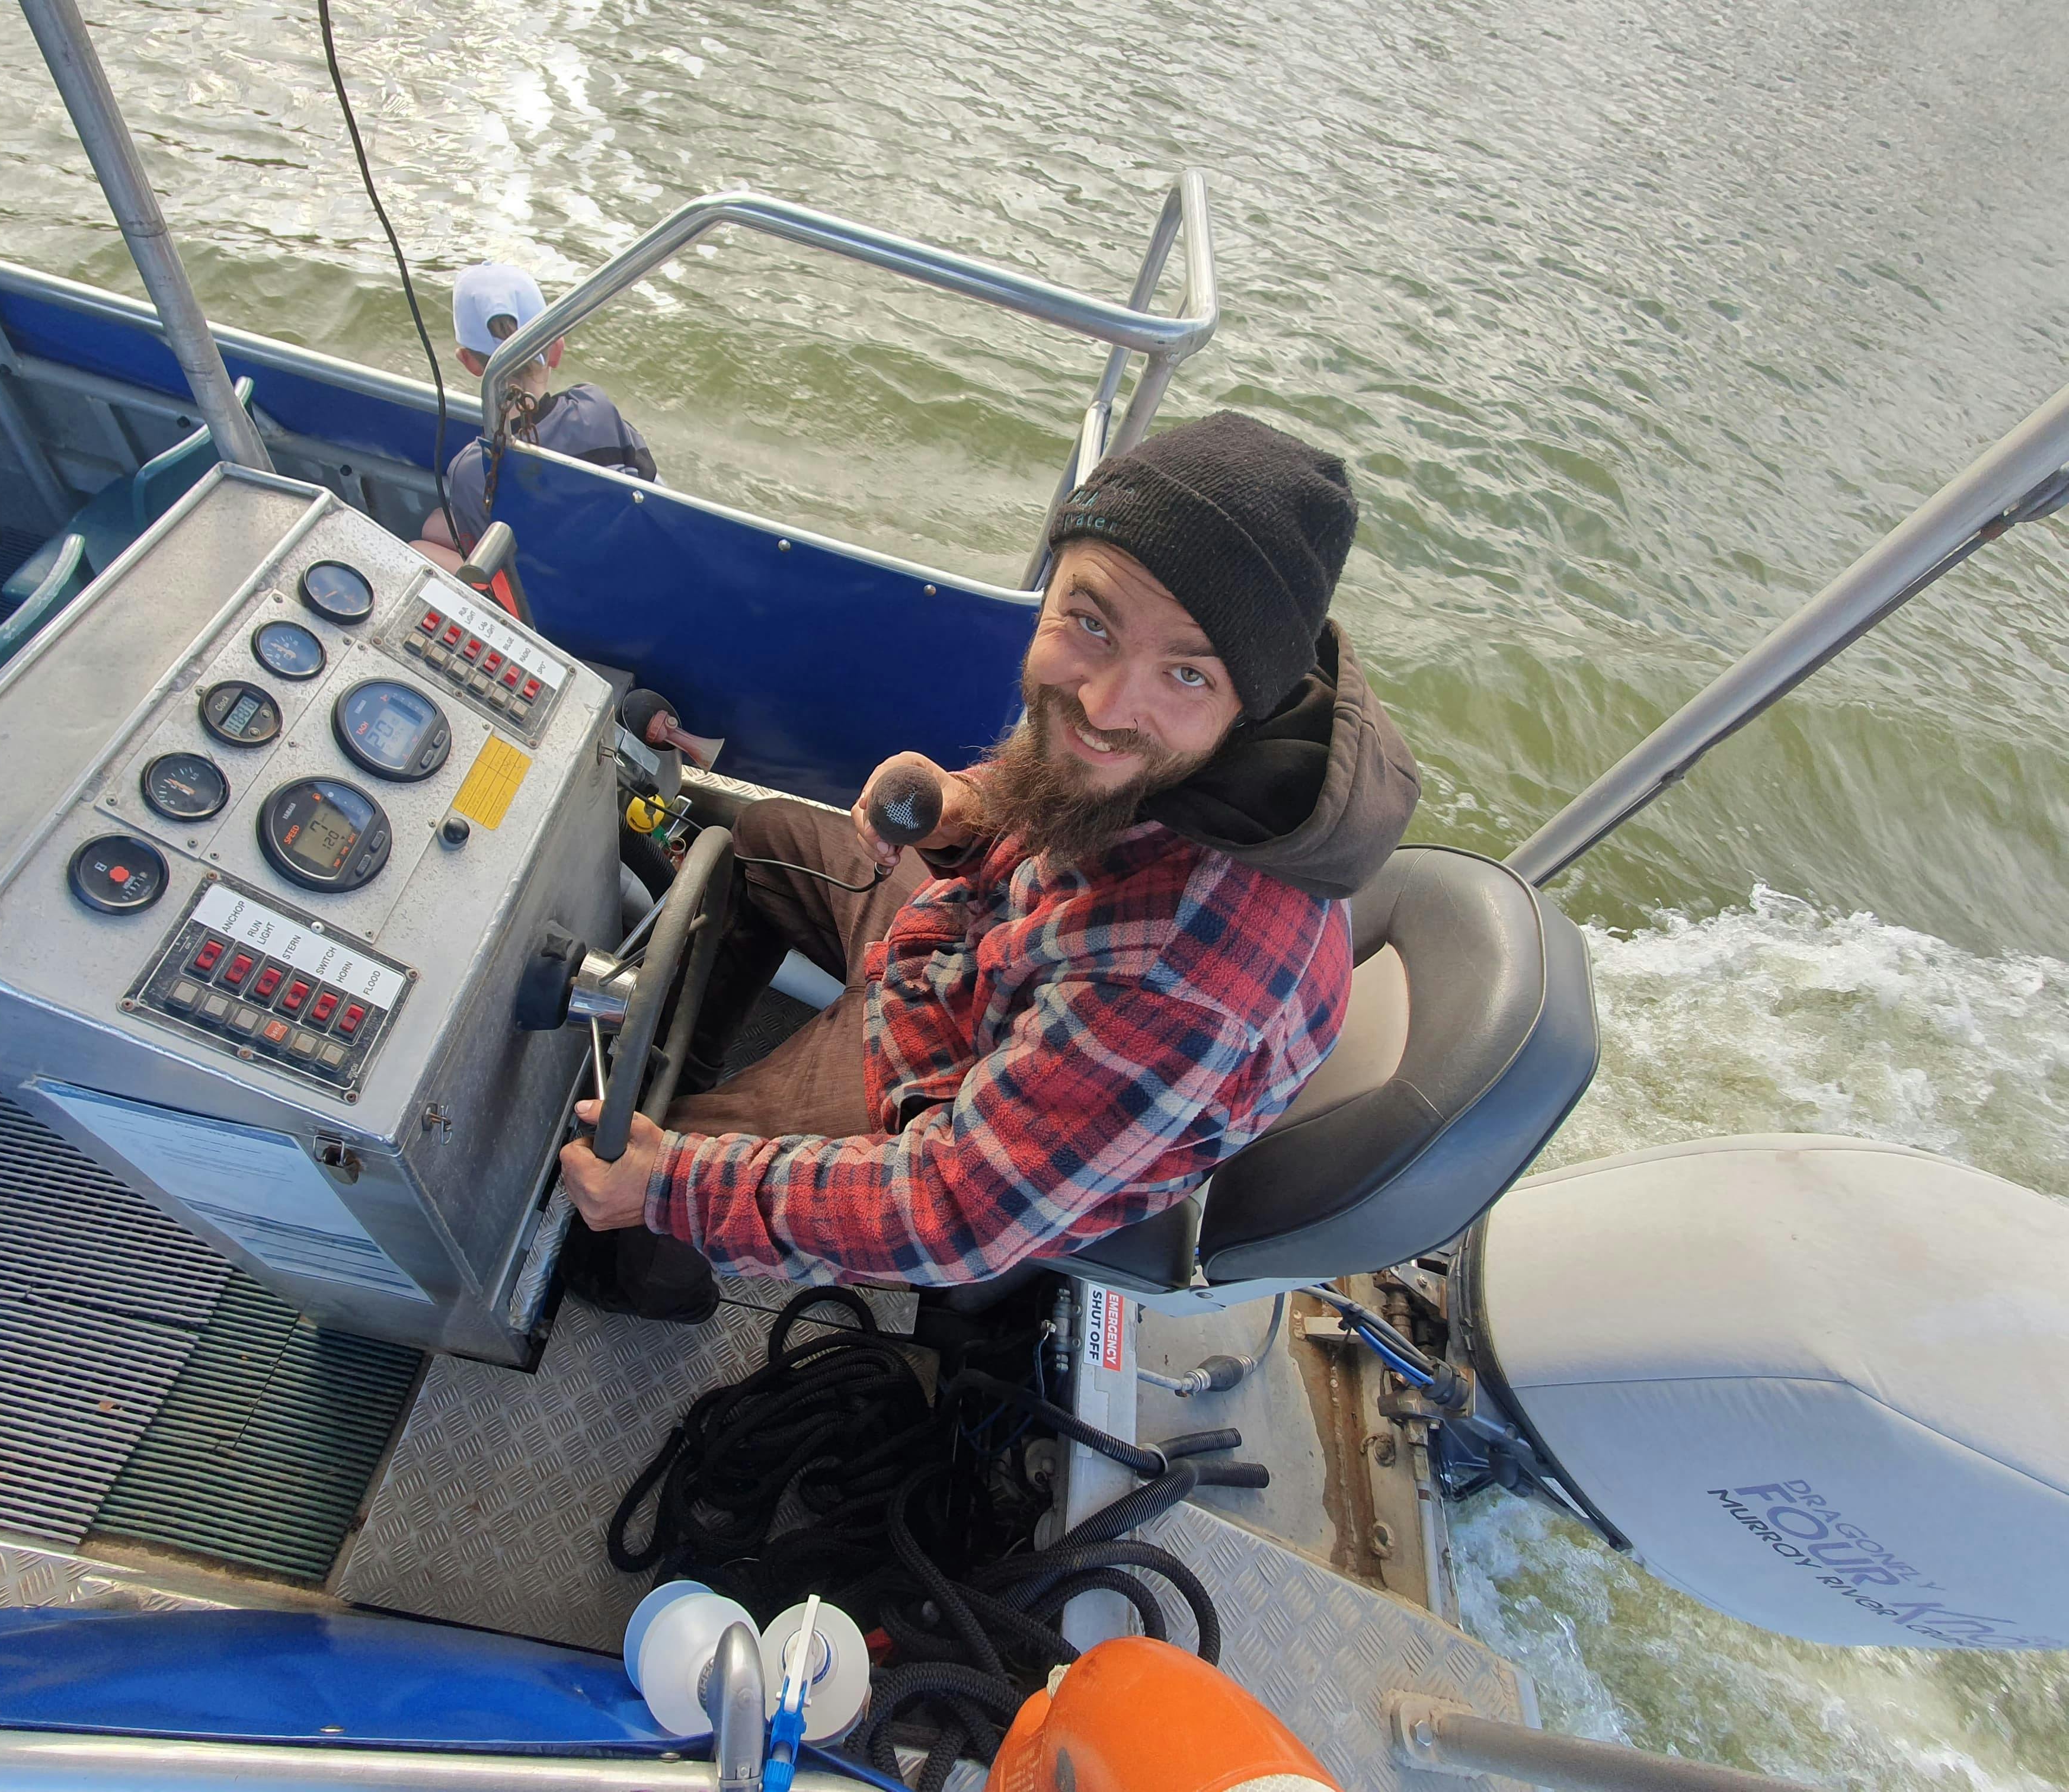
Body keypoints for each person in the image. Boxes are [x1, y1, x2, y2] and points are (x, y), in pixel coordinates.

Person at [555, 411, 1422, 1317]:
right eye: (1089, 621)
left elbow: (951, 1214)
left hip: (973, 1106)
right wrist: (960, 802)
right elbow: (1051, 785)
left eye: (1187, 674)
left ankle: (649, 1274)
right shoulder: (1163, 746)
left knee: (634, 1175)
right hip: (968, 963)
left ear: (1251, 704)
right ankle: (679, 1059)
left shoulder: (1187, 977)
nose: (1102, 705)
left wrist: (670, 1182)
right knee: (763, 840)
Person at [414, 263, 657, 572]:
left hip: (536, 591)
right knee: (439, 525)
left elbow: (486, 557)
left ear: (469, 363)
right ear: (557, 349)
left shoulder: (471, 468)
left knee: (424, 540)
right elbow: (649, 481)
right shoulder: (596, 407)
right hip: (615, 568)